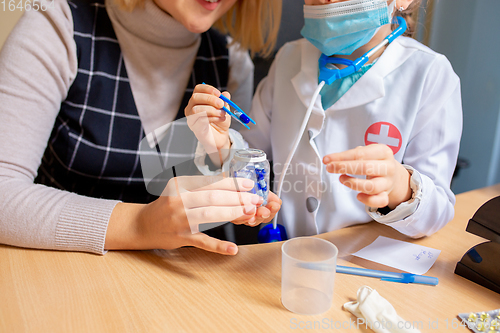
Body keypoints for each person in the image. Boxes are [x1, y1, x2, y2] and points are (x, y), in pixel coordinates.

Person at [0, 0, 282, 255]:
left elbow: (227, 183)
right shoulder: (58, 24)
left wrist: (229, 181)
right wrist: (139, 225)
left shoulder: (231, 60)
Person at [186, 0, 462, 239]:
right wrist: (221, 146)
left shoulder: (430, 75)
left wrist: (401, 187)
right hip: (284, 261)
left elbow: (437, 211)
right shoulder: (289, 58)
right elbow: (249, 154)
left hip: (367, 274)